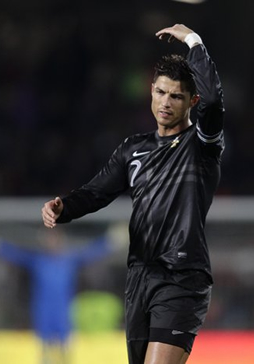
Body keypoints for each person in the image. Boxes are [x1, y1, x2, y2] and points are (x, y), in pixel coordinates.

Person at [41, 24, 225, 364]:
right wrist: (62, 207)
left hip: (182, 278)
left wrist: (193, 40)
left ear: (192, 101)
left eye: (176, 96)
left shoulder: (200, 146)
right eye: (160, 92)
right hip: (140, 276)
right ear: (150, 91)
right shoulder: (133, 149)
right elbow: (96, 192)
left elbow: (214, 99)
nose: (165, 103)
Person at [0, 224, 127, 364]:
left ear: (60, 239)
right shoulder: (37, 260)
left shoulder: (69, 259)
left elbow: (92, 252)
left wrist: (112, 241)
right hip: (43, 311)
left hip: (63, 312)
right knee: (44, 354)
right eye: (48, 238)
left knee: (65, 353)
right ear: (43, 241)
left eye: (54, 238)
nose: (51, 241)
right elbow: (13, 254)